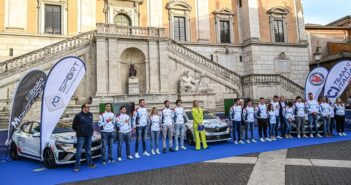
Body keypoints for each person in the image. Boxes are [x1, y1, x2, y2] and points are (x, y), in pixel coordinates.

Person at [72, 103, 96, 172]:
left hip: (89, 136)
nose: (88, 108)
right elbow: (74, 126)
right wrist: (80, 131)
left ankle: (90, 163)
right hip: (81, 136)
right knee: (79, 151)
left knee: (88, 150)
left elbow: (90, 124)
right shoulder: (78, 115)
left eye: (89, 107)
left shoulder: (91, 114)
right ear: (83, 108)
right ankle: (77, 166)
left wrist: (91, 132)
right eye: (87, 107)